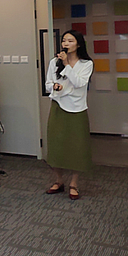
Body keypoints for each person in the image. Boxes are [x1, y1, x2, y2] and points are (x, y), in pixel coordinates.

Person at [44, 29, 94, 200]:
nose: (66, 44)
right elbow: (48, 84)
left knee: (77, 146)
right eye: (64, 40)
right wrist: (54, 86)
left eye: (70, 41)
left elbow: (79, 83)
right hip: (58, 106)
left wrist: (66, 65)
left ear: (78, 44)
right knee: (56, 144)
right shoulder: (54, 62)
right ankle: (58, 181)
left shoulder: (86, 63)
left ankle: (74, 183)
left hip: (77, 108)